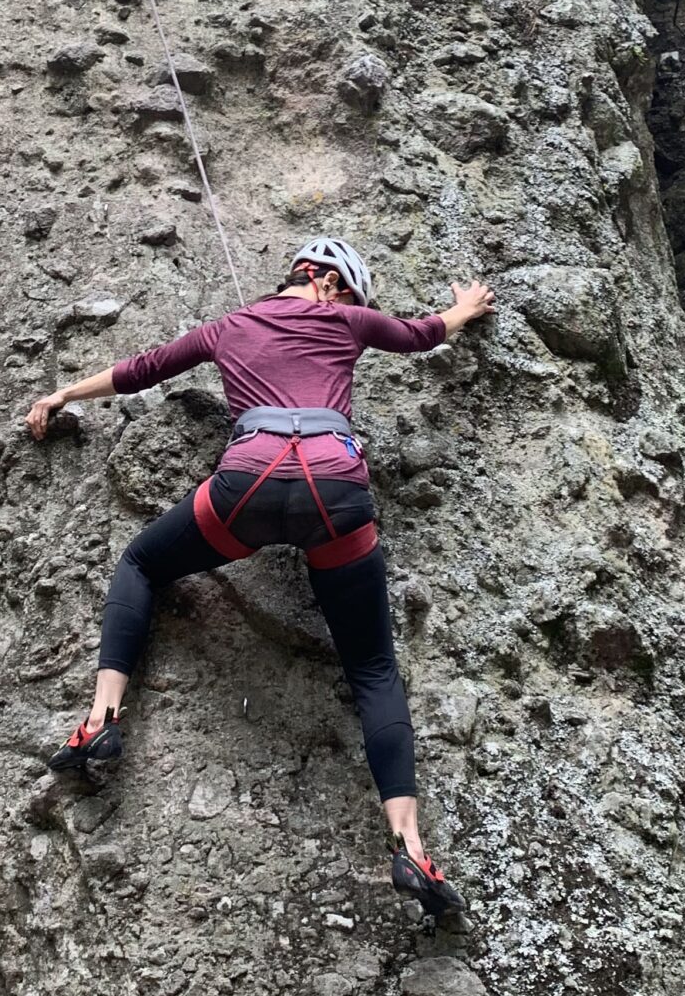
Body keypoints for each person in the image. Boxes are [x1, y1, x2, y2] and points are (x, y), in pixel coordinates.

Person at [26, 238, 495, 922]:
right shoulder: (347, 321)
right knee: (371, 666)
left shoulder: (229, 327)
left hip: (249, 481)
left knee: (144, 563)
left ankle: (99, 720)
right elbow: (422, 336)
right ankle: (410, 845)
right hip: (334, 489)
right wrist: (465, 308)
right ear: (333, 285)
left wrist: (65, 392)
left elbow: (142, 370)